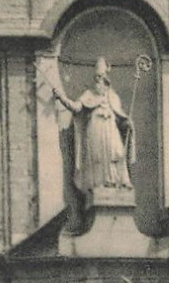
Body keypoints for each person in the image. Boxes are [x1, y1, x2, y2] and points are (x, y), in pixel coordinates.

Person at [53, 57, 134, 193]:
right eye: (96, 78)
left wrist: (127, 123)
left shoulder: (113, 97)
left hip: (110, 128)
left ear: (106, 81)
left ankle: (118, 182)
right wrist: (62, 98)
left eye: (101, 78)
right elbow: (76, 107)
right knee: (97, 157)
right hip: (95, 128)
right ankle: (99, 185)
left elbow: (121, 119)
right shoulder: (89, 94)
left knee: (117, 152)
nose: (98, 81)